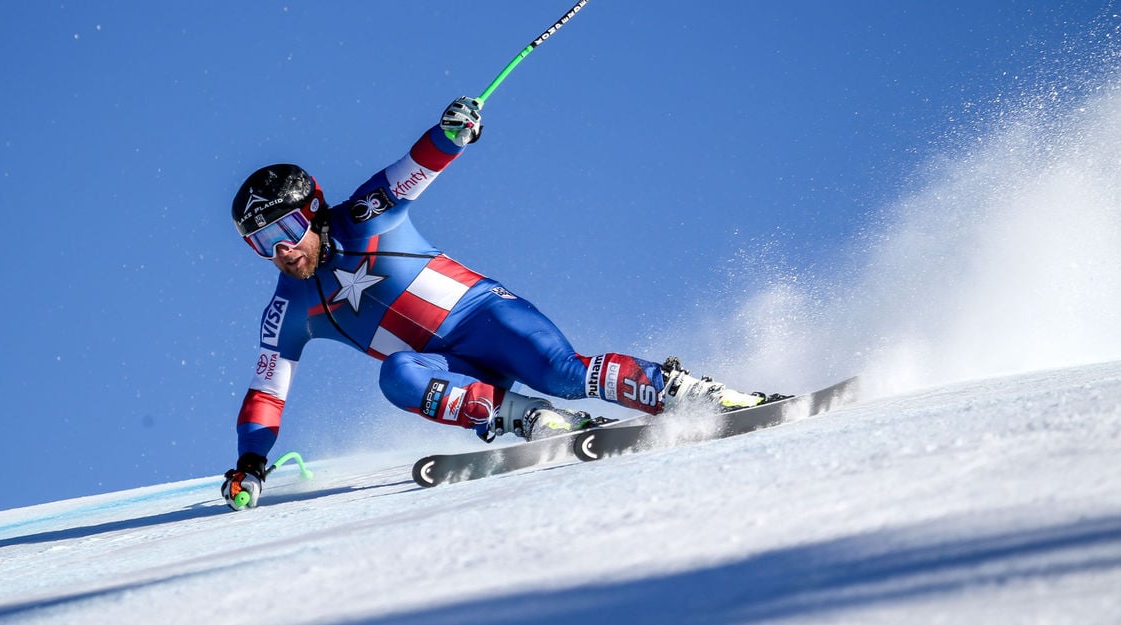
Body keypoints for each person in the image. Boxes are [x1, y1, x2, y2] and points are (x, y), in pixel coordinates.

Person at [221, 96, 784, 509]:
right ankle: (534, 421)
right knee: (397, 376)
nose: (285, 249)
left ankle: (696, 395)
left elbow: (417, 168)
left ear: (314, 208)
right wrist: (250, 465)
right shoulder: (286, 310)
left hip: (483, 316)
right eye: (264, 242)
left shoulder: (365, 212)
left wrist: (454, 132)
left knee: (561, 371)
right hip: (451, 367)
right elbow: (267, 390)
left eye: (290, 227)